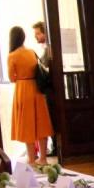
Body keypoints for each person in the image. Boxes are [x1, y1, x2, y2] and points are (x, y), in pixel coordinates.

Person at [8, 26, 53, 166]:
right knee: (41, 123)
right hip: (37, 89)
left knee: (27, 124)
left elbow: (11, 77)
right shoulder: (31, 52)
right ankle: (43, 158)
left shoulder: (12, 55)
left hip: (23, 89)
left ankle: (32, 159)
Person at [32, 21, 57, 158]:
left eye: (38, 33)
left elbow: (45, 64)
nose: (36, 36)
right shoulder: (47, 48)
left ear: (45, 33)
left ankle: (56, 146)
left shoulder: (50, 49)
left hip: (50, 89)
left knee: (51, 117)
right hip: (50, 89)